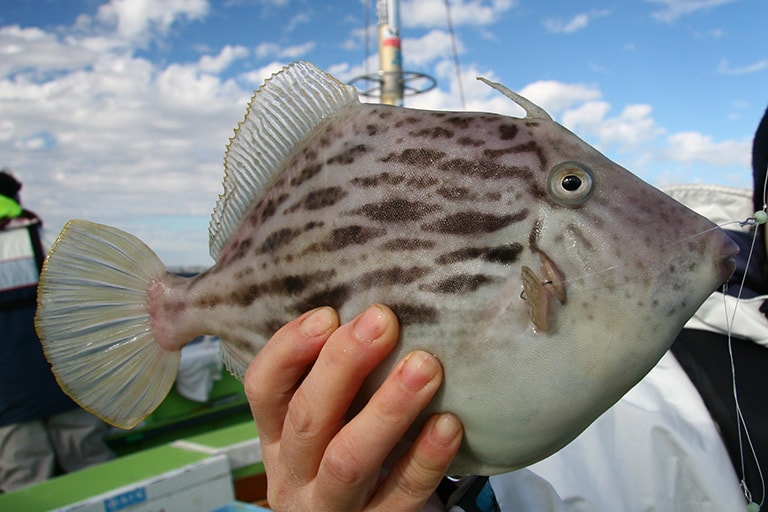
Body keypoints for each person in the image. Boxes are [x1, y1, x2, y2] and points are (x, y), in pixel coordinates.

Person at [0, 170, 114, 493]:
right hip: (65, 381)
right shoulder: (38, 237)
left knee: (26, 483)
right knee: (93, 469)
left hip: (7, 400)